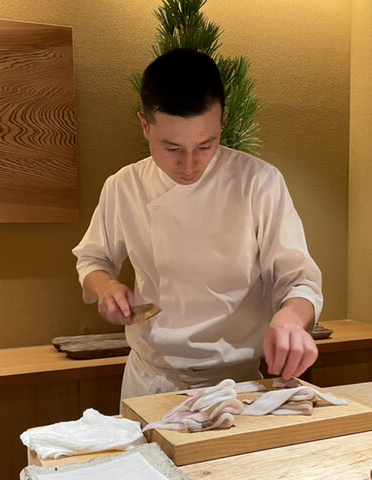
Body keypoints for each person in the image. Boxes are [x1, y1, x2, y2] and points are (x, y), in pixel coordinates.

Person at [72, 48, 322, 400]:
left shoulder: (259, 182)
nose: (189, 166)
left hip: (236, 384)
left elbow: (299, 280)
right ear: (145, 126)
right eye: (172, 148)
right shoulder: (124, 186)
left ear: (221, 122)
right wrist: (106, 288)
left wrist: (290, 320)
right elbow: (92, 259)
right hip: (150, 380)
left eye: (206, 145)